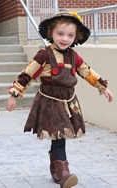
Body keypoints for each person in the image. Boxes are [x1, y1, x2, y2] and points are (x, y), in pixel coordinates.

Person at [6, 11, 113, 188]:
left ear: (76, 36)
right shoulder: (44, 54)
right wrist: (13, 95)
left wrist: (103, 86)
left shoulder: (74, 56)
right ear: (51, 33)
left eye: (70, 35)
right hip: (50, 101)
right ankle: (63, 172)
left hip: (69, 101)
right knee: (60, 135)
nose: (65, 38)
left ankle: (56, 167)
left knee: (60, 136)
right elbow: (28, 74)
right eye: (60, 34)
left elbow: (87, 72)